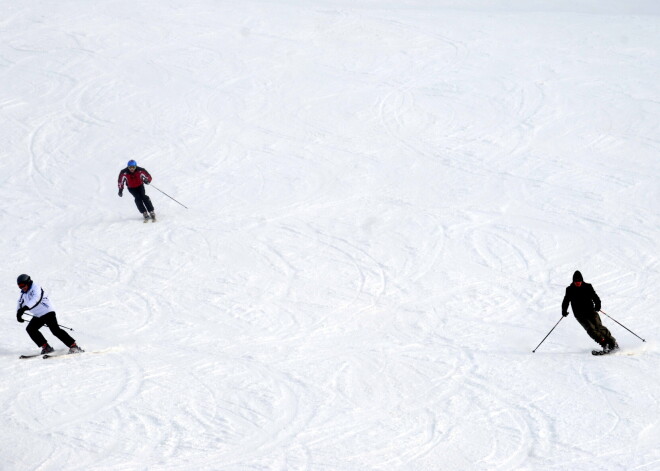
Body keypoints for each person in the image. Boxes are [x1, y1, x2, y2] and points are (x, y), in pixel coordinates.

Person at [16, 274, 83, 354]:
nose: (22, 288)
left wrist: (25, 308)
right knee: (31, 329)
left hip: (47, 312)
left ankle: (74, 346)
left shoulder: (36, 288)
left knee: (55, 330)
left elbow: (36, 299)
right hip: (38, 315)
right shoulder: (23, 293)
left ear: (28, 282)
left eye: (23, 285)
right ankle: (46, 347)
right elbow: (19, 303)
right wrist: (19, 313)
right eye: (19, 286)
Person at [562, 270, 618, 353]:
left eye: (579, 281)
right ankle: (604, 343)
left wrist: (597, 305)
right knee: (591, 329)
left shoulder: (587, 286)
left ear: (582, 280)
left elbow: (595, 296)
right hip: (579, 314)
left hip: (590, 311)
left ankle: (612, 343)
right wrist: (564, 310)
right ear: (573, 281)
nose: (578, 283)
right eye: (576, 282)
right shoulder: (570, 289)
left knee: (599, 327)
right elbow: (566, 300)